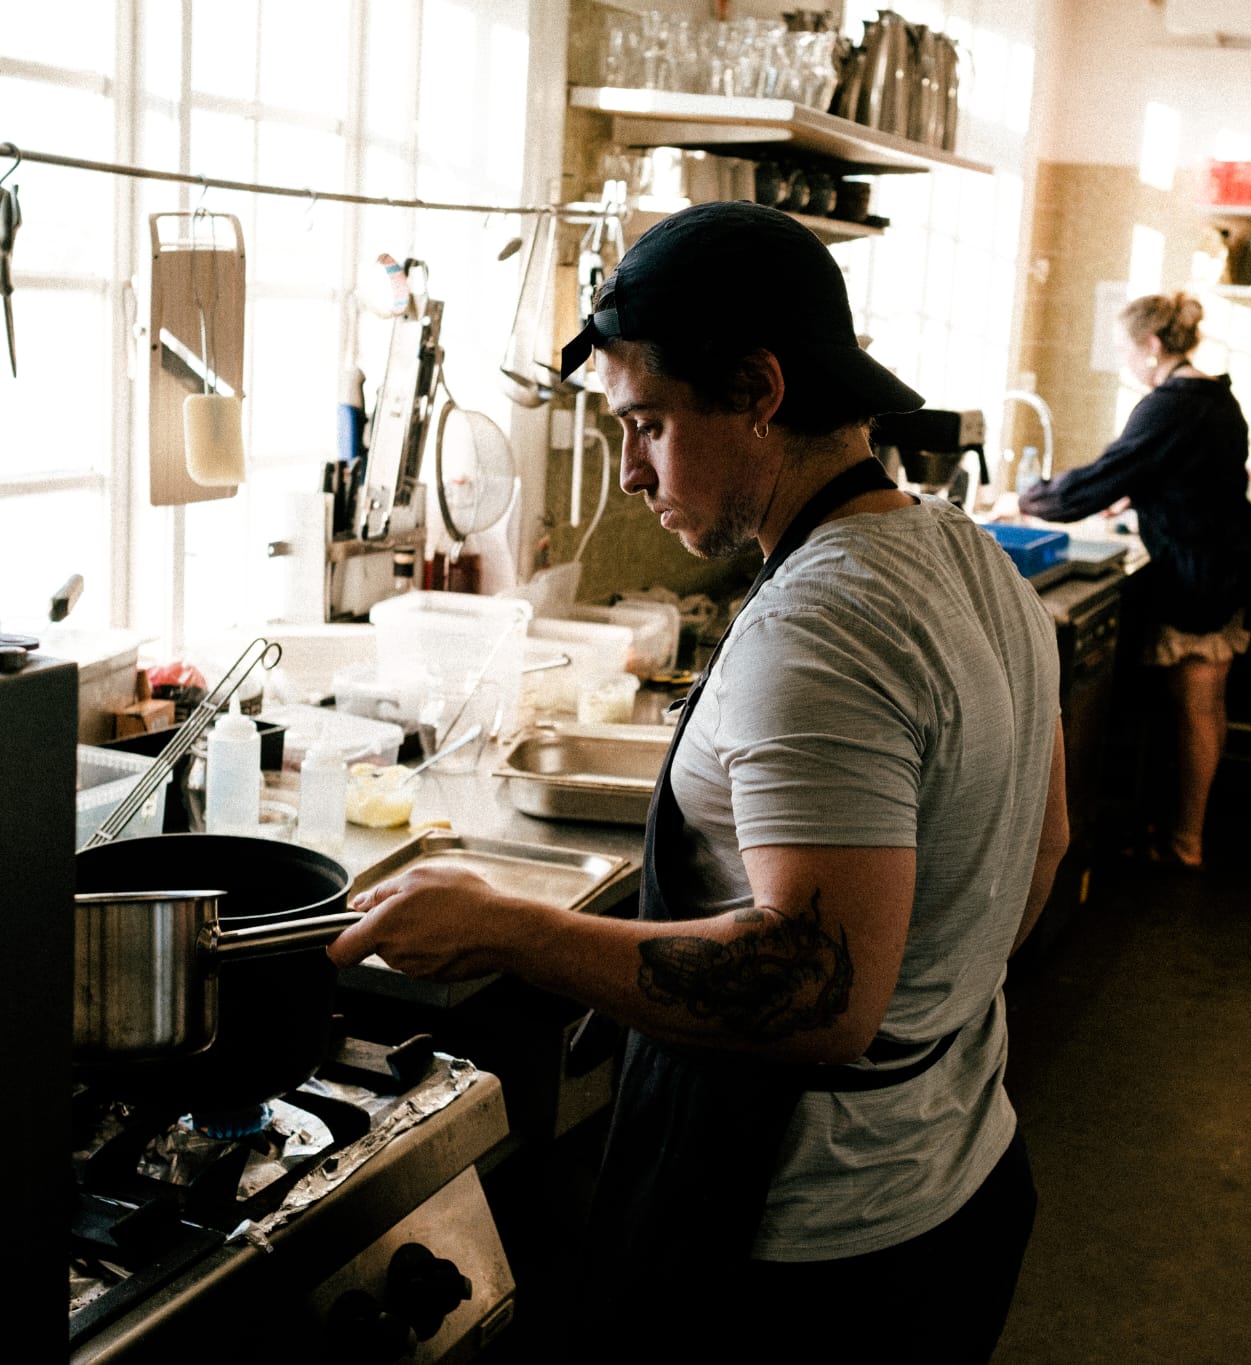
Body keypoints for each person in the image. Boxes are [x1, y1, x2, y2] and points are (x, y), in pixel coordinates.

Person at [328, 201, 1066, 1363]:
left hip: (809, 1259)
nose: (629, 471)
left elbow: (815, 992)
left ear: (759, 390)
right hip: (959, 1176)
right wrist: (926, 1001)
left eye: (648, 425)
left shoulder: (820, 626)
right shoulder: (967, 554)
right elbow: (1044, 845)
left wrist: (509, 930)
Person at [1018, 291, 1251, 868]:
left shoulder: (1171, 403)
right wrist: (1140, 494)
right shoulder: (1214, 395)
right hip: (1227, 562)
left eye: (1126, 349)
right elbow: (1190, 475)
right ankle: (1184, 828)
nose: (1125, 361)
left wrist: (1030, 500)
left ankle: (1186, 842)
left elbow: (1104, 474)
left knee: (1197, 706)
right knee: (1205, 706)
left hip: (1203, 573)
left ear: (1152, 345)